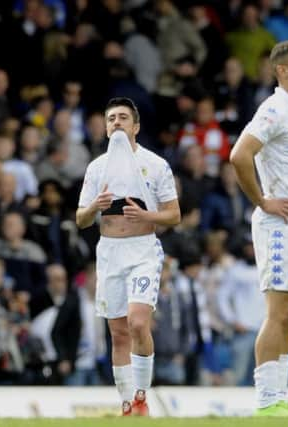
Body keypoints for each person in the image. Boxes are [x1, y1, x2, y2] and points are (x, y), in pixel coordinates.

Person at [76, 97, 180, 416]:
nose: (116, 122)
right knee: (118, 332)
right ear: (107, 128)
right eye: (111, 119)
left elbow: (174, 215)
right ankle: (125, 405)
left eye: (123, 117)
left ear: (135, 126)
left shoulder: (157, 164)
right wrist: (95, 206)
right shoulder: (96, 168)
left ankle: (140, 396)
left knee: (137, 323)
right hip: (109, 251)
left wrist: (146, 215)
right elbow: (80, 219)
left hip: (142, 249)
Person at [230, 40, 288, 417]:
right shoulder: (274, 109)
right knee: (278, 310)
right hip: (277, 224)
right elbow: (239, 155)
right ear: (282, 71)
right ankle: (266, 400)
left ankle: (279, 396)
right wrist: (263, 200)